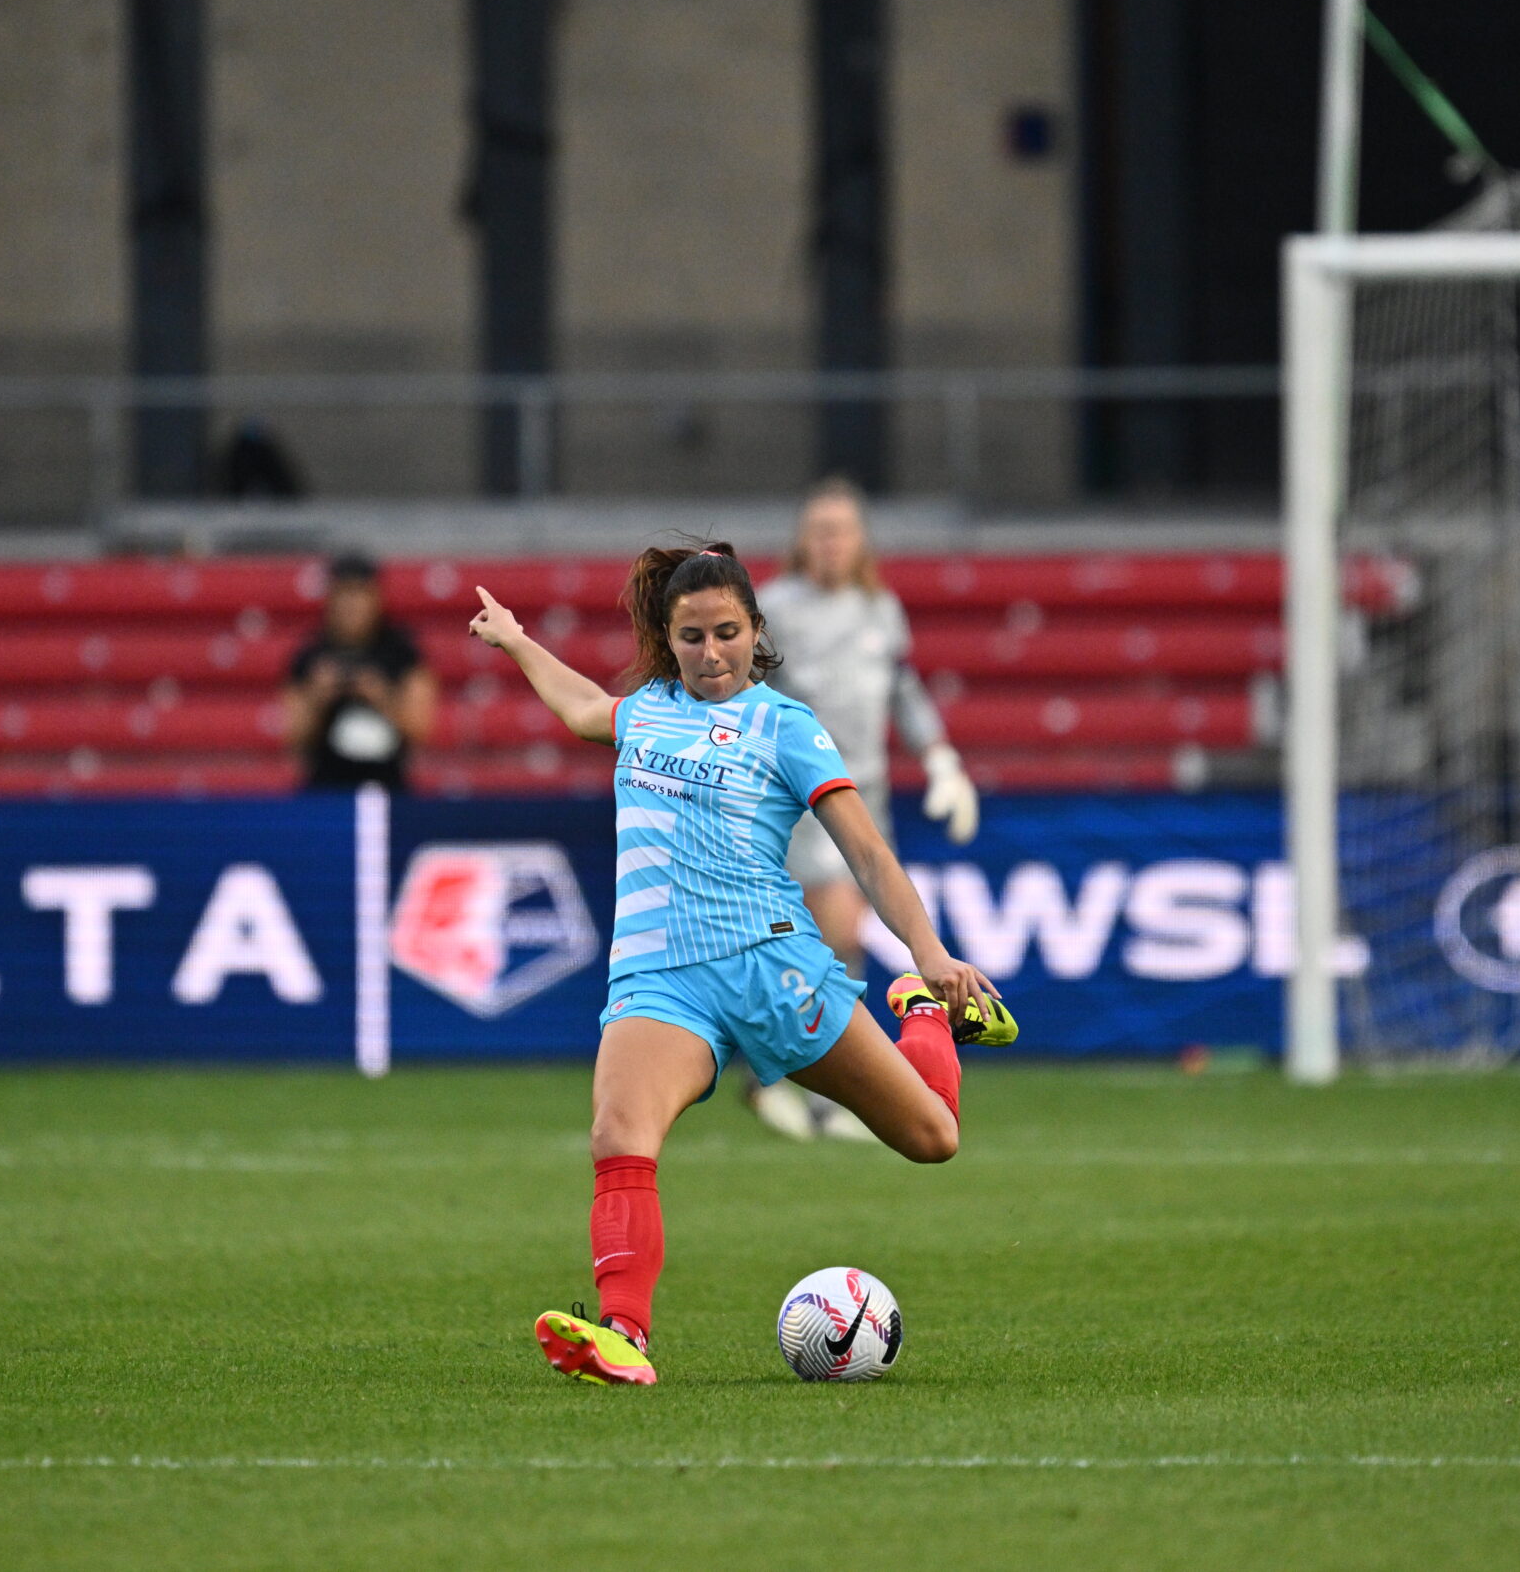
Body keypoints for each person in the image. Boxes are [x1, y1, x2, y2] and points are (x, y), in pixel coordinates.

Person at [466, 542, 1017, 1387]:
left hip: (771, 968)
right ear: (668, 635)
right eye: (692, 636)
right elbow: (582, 706)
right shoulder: (644, 711)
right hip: (659, 980)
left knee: (932, 1136)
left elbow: (866, 852)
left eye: (728, 632)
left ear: (756, 630)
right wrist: (512, 638)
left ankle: (923, 1012)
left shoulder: (785, 726)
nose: (711, 652)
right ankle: (623, 1334)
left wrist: (929, 956)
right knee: (619, 1134)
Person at [747, 478, 981, 1141]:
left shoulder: (881, 608)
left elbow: (903, 689)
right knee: (835, 933)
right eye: (818, 530)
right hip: (797, 795)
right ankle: (817, 1093)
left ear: (860, 541)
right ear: (802, 540)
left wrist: (940, 758)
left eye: (841, 530)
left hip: (867, 793)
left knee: (823, 942)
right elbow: (743, 695)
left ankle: (782, 1079)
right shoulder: (777, 609)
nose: (829, 543)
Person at [284, 552, 438, 791]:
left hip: (390, 785)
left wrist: (381, 698)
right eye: (344, 594)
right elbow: (294, 737)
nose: (351, 605)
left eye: (359, 594)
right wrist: (319, 698)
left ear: (376, 597)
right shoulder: (311, 655)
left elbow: (421, 728)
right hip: (326, 786)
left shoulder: (402, 653)